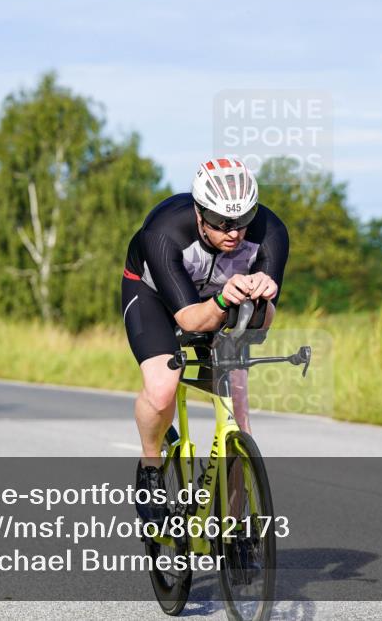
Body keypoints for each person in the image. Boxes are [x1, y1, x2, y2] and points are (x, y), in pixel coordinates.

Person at [122, 157, 289, 520]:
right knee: (163, 387)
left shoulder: (271, 232)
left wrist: (266, 298)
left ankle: (234, 527)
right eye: (222, 223)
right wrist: (224, 298)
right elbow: (189, 319)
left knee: (239, 420)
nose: (234, 232)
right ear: (199, 213)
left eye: (243, 220)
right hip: (155, 297)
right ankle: (151, 467)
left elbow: (261, 327)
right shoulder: (164, 232)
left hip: (221, 298)